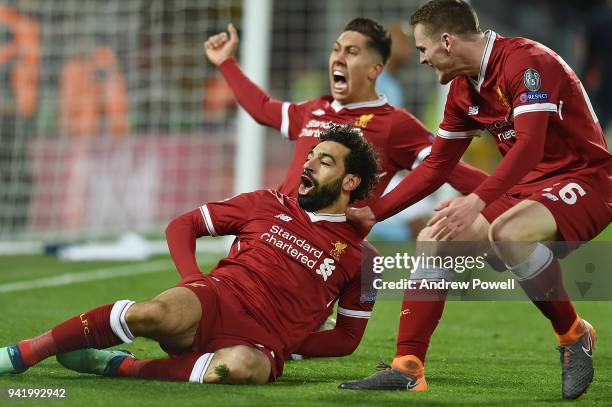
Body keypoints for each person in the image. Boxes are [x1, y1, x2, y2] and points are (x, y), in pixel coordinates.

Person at [340, 0, 611, 400]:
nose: (420, 59)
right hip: (526, 187)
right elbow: (435, 167)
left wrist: (477, 200)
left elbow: (531, 147)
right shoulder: (463, 90)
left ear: (446, 42)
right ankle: (407, 367)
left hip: (588, 179)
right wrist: (372, 213)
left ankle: (573, 336)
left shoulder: (527, 62)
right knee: (436, 238)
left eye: (422, 49)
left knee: (509, 233)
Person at [0, 125, 380, 384]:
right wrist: (191, 278)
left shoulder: (364, 259)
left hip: (262, 343)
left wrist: (289, 342)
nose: (309, 163)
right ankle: (27, 352)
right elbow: (182, 226)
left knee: (237, 369)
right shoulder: (266, 202)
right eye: (311, 155)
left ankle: (124, 366)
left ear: (350, 182)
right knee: (153, 312)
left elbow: (346, 338)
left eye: (325, 161)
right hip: (214, 299)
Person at [204, 18, 488, 335]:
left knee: (229, 334)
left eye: (351, 51)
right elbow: (262, 108)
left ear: (375, 69)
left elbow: (449, 168)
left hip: (319, 257)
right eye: (336, 49)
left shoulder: (394, 125)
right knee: (209, 318)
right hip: (271, 239)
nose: (338, 57)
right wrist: (226, 62)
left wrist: (514, 193)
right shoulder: (314, 110)